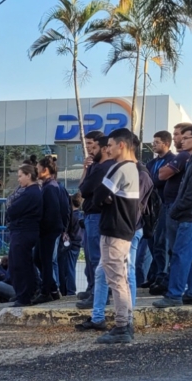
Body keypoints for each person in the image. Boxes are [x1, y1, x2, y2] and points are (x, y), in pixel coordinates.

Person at [88, 128, 143, 344]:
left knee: (117, 280)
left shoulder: (119, 168)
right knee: (120, 278)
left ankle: (121, 326)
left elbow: (97, 196)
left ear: (121, 145)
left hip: (113, 231)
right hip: (124, 231)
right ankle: (126, 322)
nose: (106, 149)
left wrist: (104, 199)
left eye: (109, 145)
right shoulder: (133, 169)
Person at [154, 124, 192, 309]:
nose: (181, 140)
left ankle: (174, 295)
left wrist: (175, 210)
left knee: (181, 254)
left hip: (190, 215)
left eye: (186, 137)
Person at [77, 131, 113, 302]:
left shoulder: (103, 168)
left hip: (97, 216)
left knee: (97, 258)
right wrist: (85, 170)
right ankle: (94, 289)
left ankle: (100, 294)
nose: (90, 149)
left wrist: (86, 184)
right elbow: (81, 187)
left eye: (93, 145)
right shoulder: (94, 166)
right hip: (91, 215)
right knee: (92, 257)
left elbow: (84, 190)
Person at [5, 164, 43, 307]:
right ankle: (24, 294)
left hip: (23, 232)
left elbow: (12, 210)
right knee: (19, 263)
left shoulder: (30, 193)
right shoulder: (32, 192)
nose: (19, 179)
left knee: (20, 264)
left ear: (28, 175)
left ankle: (24, 296)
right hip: (23, 231)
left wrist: (12, 209)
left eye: (20, 176)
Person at [34, 155, 69, 303]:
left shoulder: (50, 188)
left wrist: (47, 227)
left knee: (46, 260)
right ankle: (52, 288)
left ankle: (46, 290)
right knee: (40, 259)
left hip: (49, 230)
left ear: (45, 170)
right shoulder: (54, 186)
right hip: (51, 229)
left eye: (38, 169)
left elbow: (53, 211)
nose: (36, 171)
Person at [146, 131, 176, 294]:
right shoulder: (151, 163)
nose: (153, 145)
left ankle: (161, 275)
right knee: (152, 240)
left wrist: (154, 181)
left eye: (157, 142)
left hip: (165, 204)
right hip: (152, 207)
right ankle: (155, 274)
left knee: (162, 242)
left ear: (166, 143)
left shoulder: (173, 161)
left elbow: (159, 180)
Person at [58, 193, 84, 300]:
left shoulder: (71, 217)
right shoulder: (80, 216)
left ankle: (70, 290)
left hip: (70, 244)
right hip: (78, 244)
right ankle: (70, 289)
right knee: (72, 267)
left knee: (69, 268)